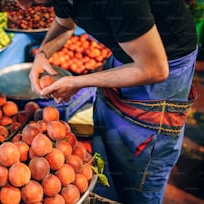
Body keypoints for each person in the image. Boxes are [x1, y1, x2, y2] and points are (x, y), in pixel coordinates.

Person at [14, 0, 198, 203]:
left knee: (141, 170)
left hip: (162, 68)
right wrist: (42, 54)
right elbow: (65, 24)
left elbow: (154, 69)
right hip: (131, 56)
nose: (23, 7)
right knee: (109, 153)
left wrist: (79, 82)